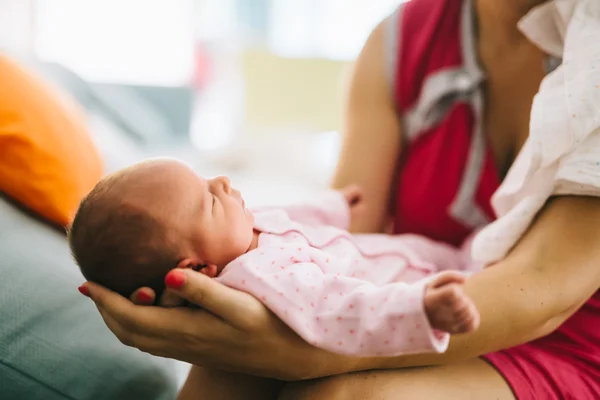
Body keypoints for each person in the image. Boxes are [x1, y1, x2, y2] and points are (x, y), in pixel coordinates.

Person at [78, 0, 600, 398]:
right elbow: (344, 231)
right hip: (417, 300)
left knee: (336, 393)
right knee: (236, 339)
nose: (221, 186)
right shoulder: (403, 38)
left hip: (565, 339)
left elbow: (543, 291)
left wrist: (318, 353)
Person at [69, 158, 480, 361]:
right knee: (491, 248)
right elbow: (341, 313)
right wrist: (421, 310)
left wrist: (334, 206)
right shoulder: (261, 279)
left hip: (417, 252)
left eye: (205, 178)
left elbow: (294, 218)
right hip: (423, 280)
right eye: (209, 200)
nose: (222, 182)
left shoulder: (241, 233)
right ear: (196, 271)